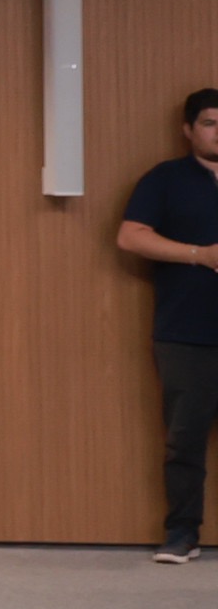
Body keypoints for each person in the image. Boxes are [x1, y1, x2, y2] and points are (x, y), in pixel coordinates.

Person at [112, 86, 218, 560]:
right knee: (185, 439)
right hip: (184, 332)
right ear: (188, 130)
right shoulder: (165, 179)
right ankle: (182, 533)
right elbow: (131, 237)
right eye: (210, 124)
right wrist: (200, 255)